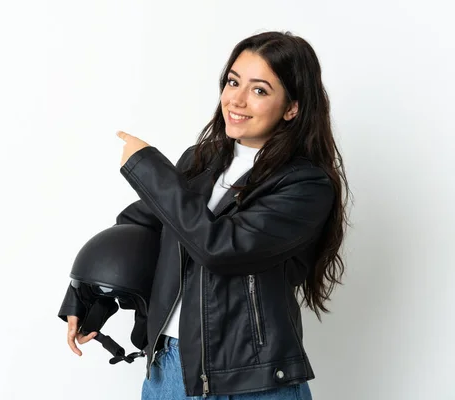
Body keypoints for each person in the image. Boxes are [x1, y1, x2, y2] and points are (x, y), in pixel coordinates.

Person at [59, 31, 350, 399]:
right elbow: (142, 227)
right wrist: (89, 294)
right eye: (233, 82)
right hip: (168, 372)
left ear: (292, 107)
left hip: (251, 384)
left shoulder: (305, 185)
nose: (237, 99)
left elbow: (220, 248)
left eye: (259, 90)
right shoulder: (201, 160)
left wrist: (147, 167)